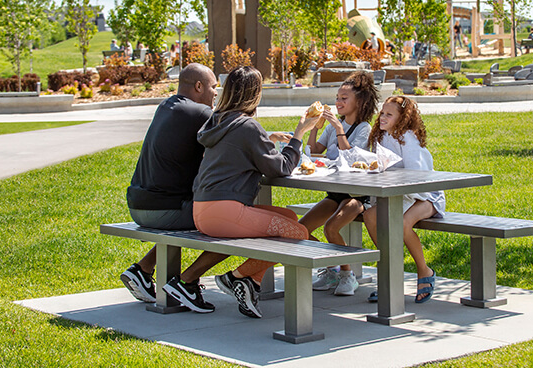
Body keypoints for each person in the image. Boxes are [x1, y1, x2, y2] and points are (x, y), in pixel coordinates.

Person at [192, 66, 319, 318]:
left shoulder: (218, 121)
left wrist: (268, 139)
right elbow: (280, 168)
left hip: (204, 208)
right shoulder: (247, 126)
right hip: (224, 211)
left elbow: (241, 153)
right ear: (254, 93)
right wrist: (298, 134)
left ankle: (251, 283)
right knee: (298, 233)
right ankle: (235, 277)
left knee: (290, 218)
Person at [121, 63, 225, 313]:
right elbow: (233, 142)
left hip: (138, 205)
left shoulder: (167, 106)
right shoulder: (200, 113)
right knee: (227, 221)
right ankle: (187, 283)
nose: (215, 94)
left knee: (201, 212)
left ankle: (143, 269)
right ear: (199, 87)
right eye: (213, 87)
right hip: (164, 211)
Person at [299, 71, 380, 296]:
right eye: (337, 98)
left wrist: (338, 129)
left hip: (357, 195)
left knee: (331, 228)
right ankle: (332, 268)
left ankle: (348, 274)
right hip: (335, 192)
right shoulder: (335, 125)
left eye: (344, 98)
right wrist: (314, 126)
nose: (338, 102)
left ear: (359, 102)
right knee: (300, 230)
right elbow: (315, 150)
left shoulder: (363, 128)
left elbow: (353, 158)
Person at [363, 96, 445, 304]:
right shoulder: (382, 137)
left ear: (402, 119)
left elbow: (418, 176)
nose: (383, 117)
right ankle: (392, 270)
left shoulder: (408, 138)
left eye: (389, 114)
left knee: (403, 223)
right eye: (382, 113)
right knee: (370, 216)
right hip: (402, 194)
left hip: (426, 195)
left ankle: (424, 270)